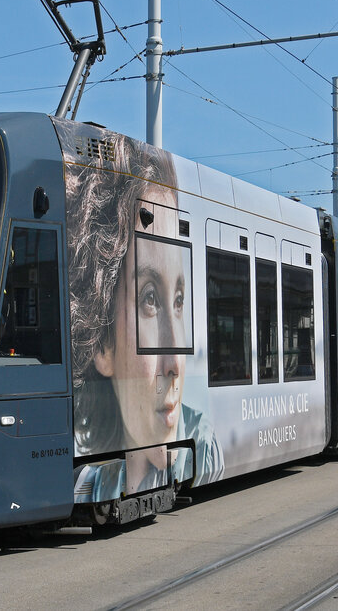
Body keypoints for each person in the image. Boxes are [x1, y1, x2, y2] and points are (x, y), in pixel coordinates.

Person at [64, 128, 223, 502]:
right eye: (150, 299)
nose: (175, 363)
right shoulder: (86, 486)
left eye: (179, 299)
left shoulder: (208, 450)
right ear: (102, 342)